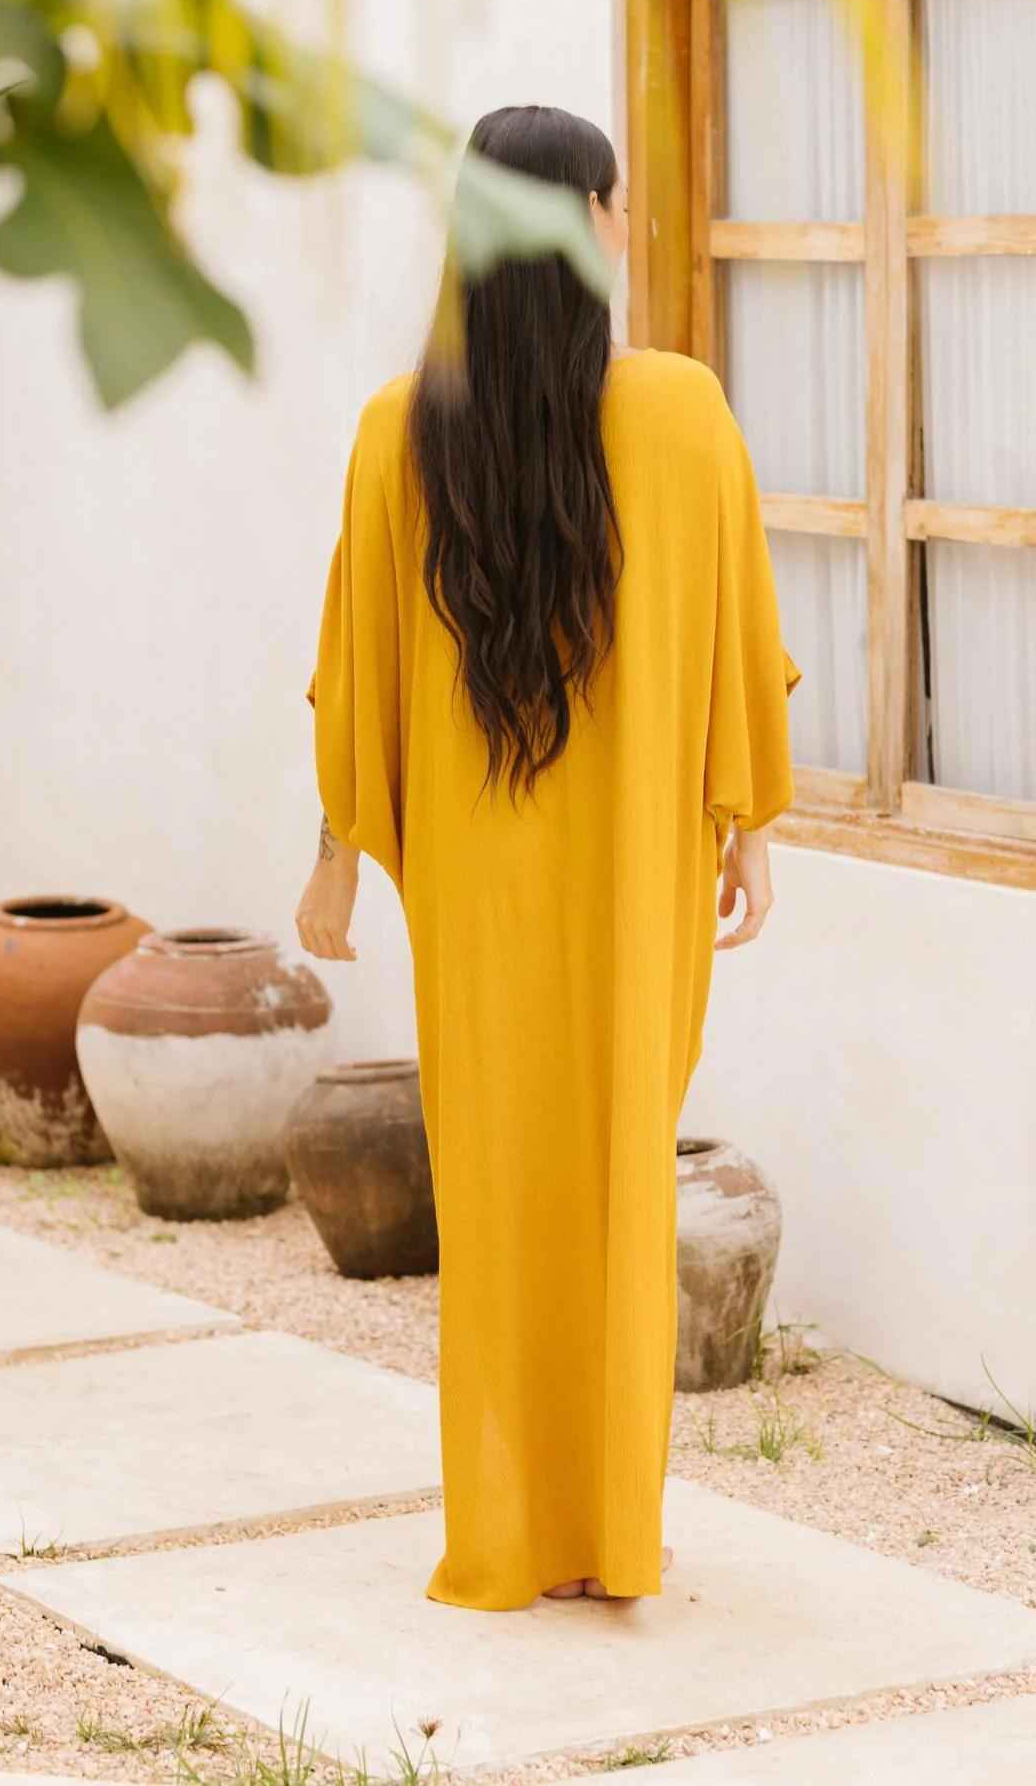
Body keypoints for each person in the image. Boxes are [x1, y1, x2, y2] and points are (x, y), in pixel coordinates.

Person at [295, 104, 801, 1612]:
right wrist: (751, 826)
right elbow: (739, 640)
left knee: (506, 1193)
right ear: (586, 217)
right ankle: (611, 1542)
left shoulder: (402, 427)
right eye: (618, 205)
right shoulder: (684, 411)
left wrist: (332, 861)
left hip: (477, 895)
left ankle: (507, 1536)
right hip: (631, 885)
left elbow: (357, 672)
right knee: (609, 1186)